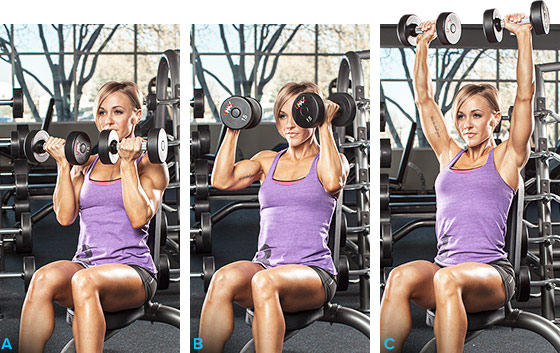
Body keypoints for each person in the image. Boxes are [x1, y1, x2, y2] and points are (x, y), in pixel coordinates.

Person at [380, 14, 534, 353]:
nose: (466, 124)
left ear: (495, 118)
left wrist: (523, 35)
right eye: (461, 115)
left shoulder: (508, 157)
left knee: (446, 279)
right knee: (400, 276)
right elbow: (423, 99)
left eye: (477, 115)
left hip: (491, 274)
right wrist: (422, 43)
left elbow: (525, 96)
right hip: (444, 266)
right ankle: (388, 347)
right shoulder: (447, 153)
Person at [198, 82, 349, 353]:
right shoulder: (268, 161)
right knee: (222, 278)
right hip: (265, 267)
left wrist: (325, 125)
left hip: (314, 273)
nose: (289, 124)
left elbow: (332, 182)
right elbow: (220, 179)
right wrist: (233, 127)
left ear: (313, 117)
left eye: (298, 116)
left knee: (265, 281)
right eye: (282, 115)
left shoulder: (333, 160)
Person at [18, 81, 169, 353]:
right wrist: (64, 166)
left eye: (118, 112)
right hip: (85, 265)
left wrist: (126, 164)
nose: (108, 120)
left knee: (84, 281)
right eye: (101, 112)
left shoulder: (151, 164)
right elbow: (65, 217)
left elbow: (138, 218)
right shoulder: (86, 161)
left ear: (137, 115)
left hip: (134, 272)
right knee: (42, 278)